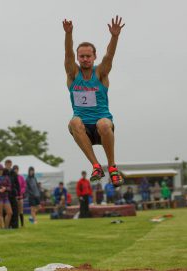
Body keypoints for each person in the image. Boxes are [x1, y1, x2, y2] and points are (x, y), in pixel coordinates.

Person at [63, 16, 125, 187]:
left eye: (88, 56)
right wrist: (69, 34)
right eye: (81, 56)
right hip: (83, 129)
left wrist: (114, 37)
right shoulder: (73, 74)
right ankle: (96, 166)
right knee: (74, 121)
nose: (84, 59)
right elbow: (68, 55)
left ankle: (112, 168)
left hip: (101, 127)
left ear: (94, 56)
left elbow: (109, 56)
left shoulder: (101, 74)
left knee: (105, 123)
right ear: (78, 57)